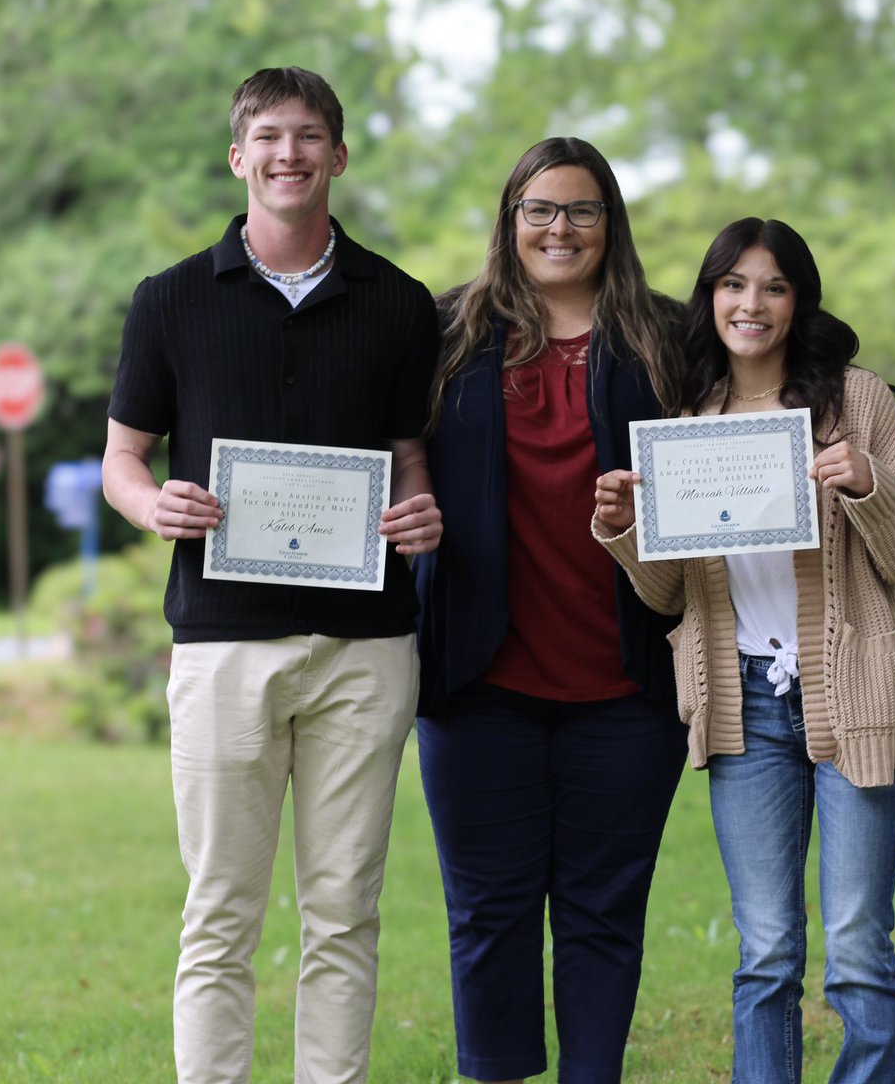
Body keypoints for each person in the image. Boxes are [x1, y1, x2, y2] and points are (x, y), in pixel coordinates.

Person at [101, 66, 441, 1084]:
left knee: (345, 910)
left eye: (309, 137)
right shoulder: (168, 302)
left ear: (338, 155)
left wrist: (421, 512)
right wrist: (150, 503)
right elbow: (124, 459)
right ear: (238, 156)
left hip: (365, 651)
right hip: (221, 646)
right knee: (220, 914)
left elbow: (408, 456)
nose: (289, 155)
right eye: (269, 137)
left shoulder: (399, 303)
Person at [593, 217, 895, 1084]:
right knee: (766, 955)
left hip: (853, 691)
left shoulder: (856, 400)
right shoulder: (684, 414)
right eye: (735, 285)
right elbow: (674, 595)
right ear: (711, 296)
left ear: (800, 300)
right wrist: (627, 532)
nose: (753, 305)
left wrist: (866, 482)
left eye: (775, 287)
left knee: (859, 948)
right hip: (741, 704)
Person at [413, 137, 690, 1084]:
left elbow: (766, 397)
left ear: (609, 224)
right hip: (477, 679)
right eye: (539, 210)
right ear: (510, 221)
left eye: (580, 210)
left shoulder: (667, 337)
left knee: (603, 913)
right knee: (486, 913)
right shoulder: (445, 332)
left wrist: (869, 419)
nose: (558, 229)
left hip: (625, 681)